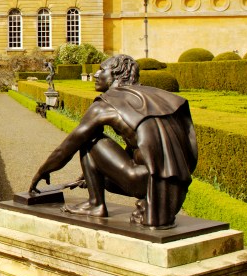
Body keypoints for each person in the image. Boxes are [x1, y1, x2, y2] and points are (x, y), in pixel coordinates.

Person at [28, 54, 198, 228]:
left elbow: (67, 147)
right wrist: (97, 173)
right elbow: (177, 147)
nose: (95, 74)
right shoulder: (158, 97)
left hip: (143, 181)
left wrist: (42, 171)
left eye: (102, 69)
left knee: (89, 139)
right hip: (174, 186)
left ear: (117, 75)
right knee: (107, 177)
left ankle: (95, 205)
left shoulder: (105, 105)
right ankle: (123, 197)